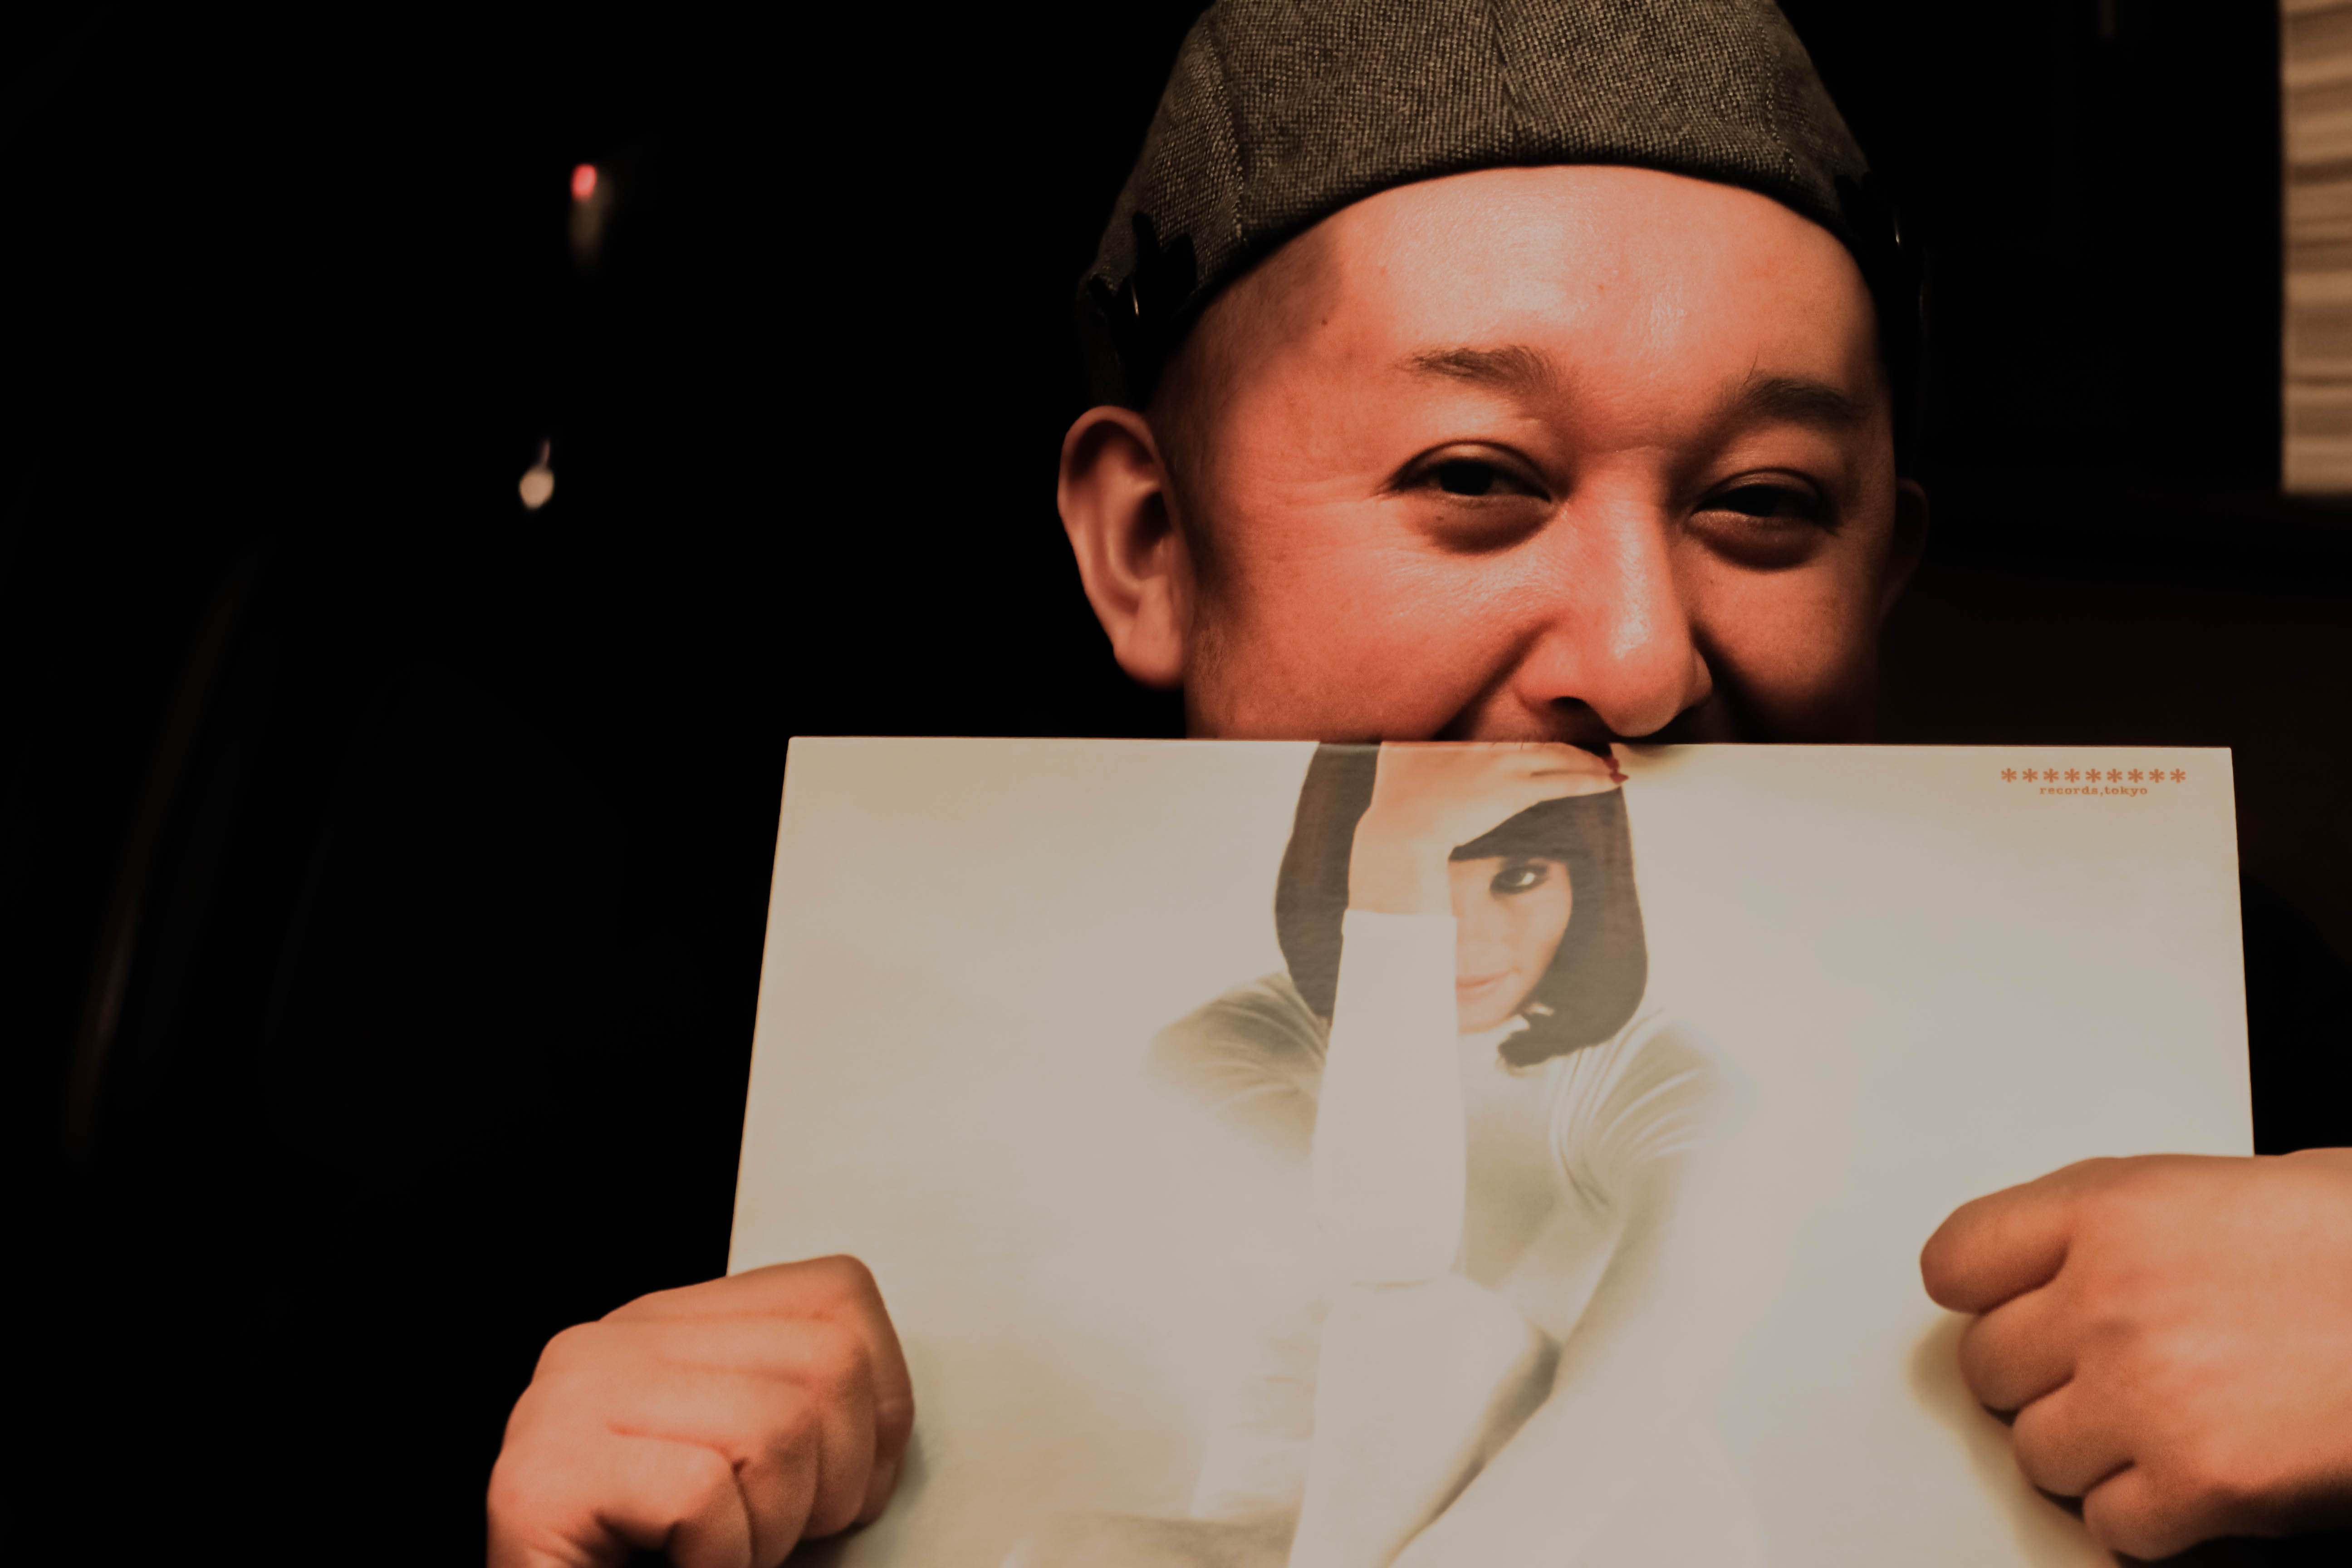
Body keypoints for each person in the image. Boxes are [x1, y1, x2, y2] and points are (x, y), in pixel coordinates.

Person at [486, 2, 2352, 1564]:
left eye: (1767, 503)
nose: (1642, 658)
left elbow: (1630, 1390)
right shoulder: (722, 1128)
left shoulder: (2243, 1030)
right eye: (1475, 479)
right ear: (1149, 544)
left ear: (1885, 568)